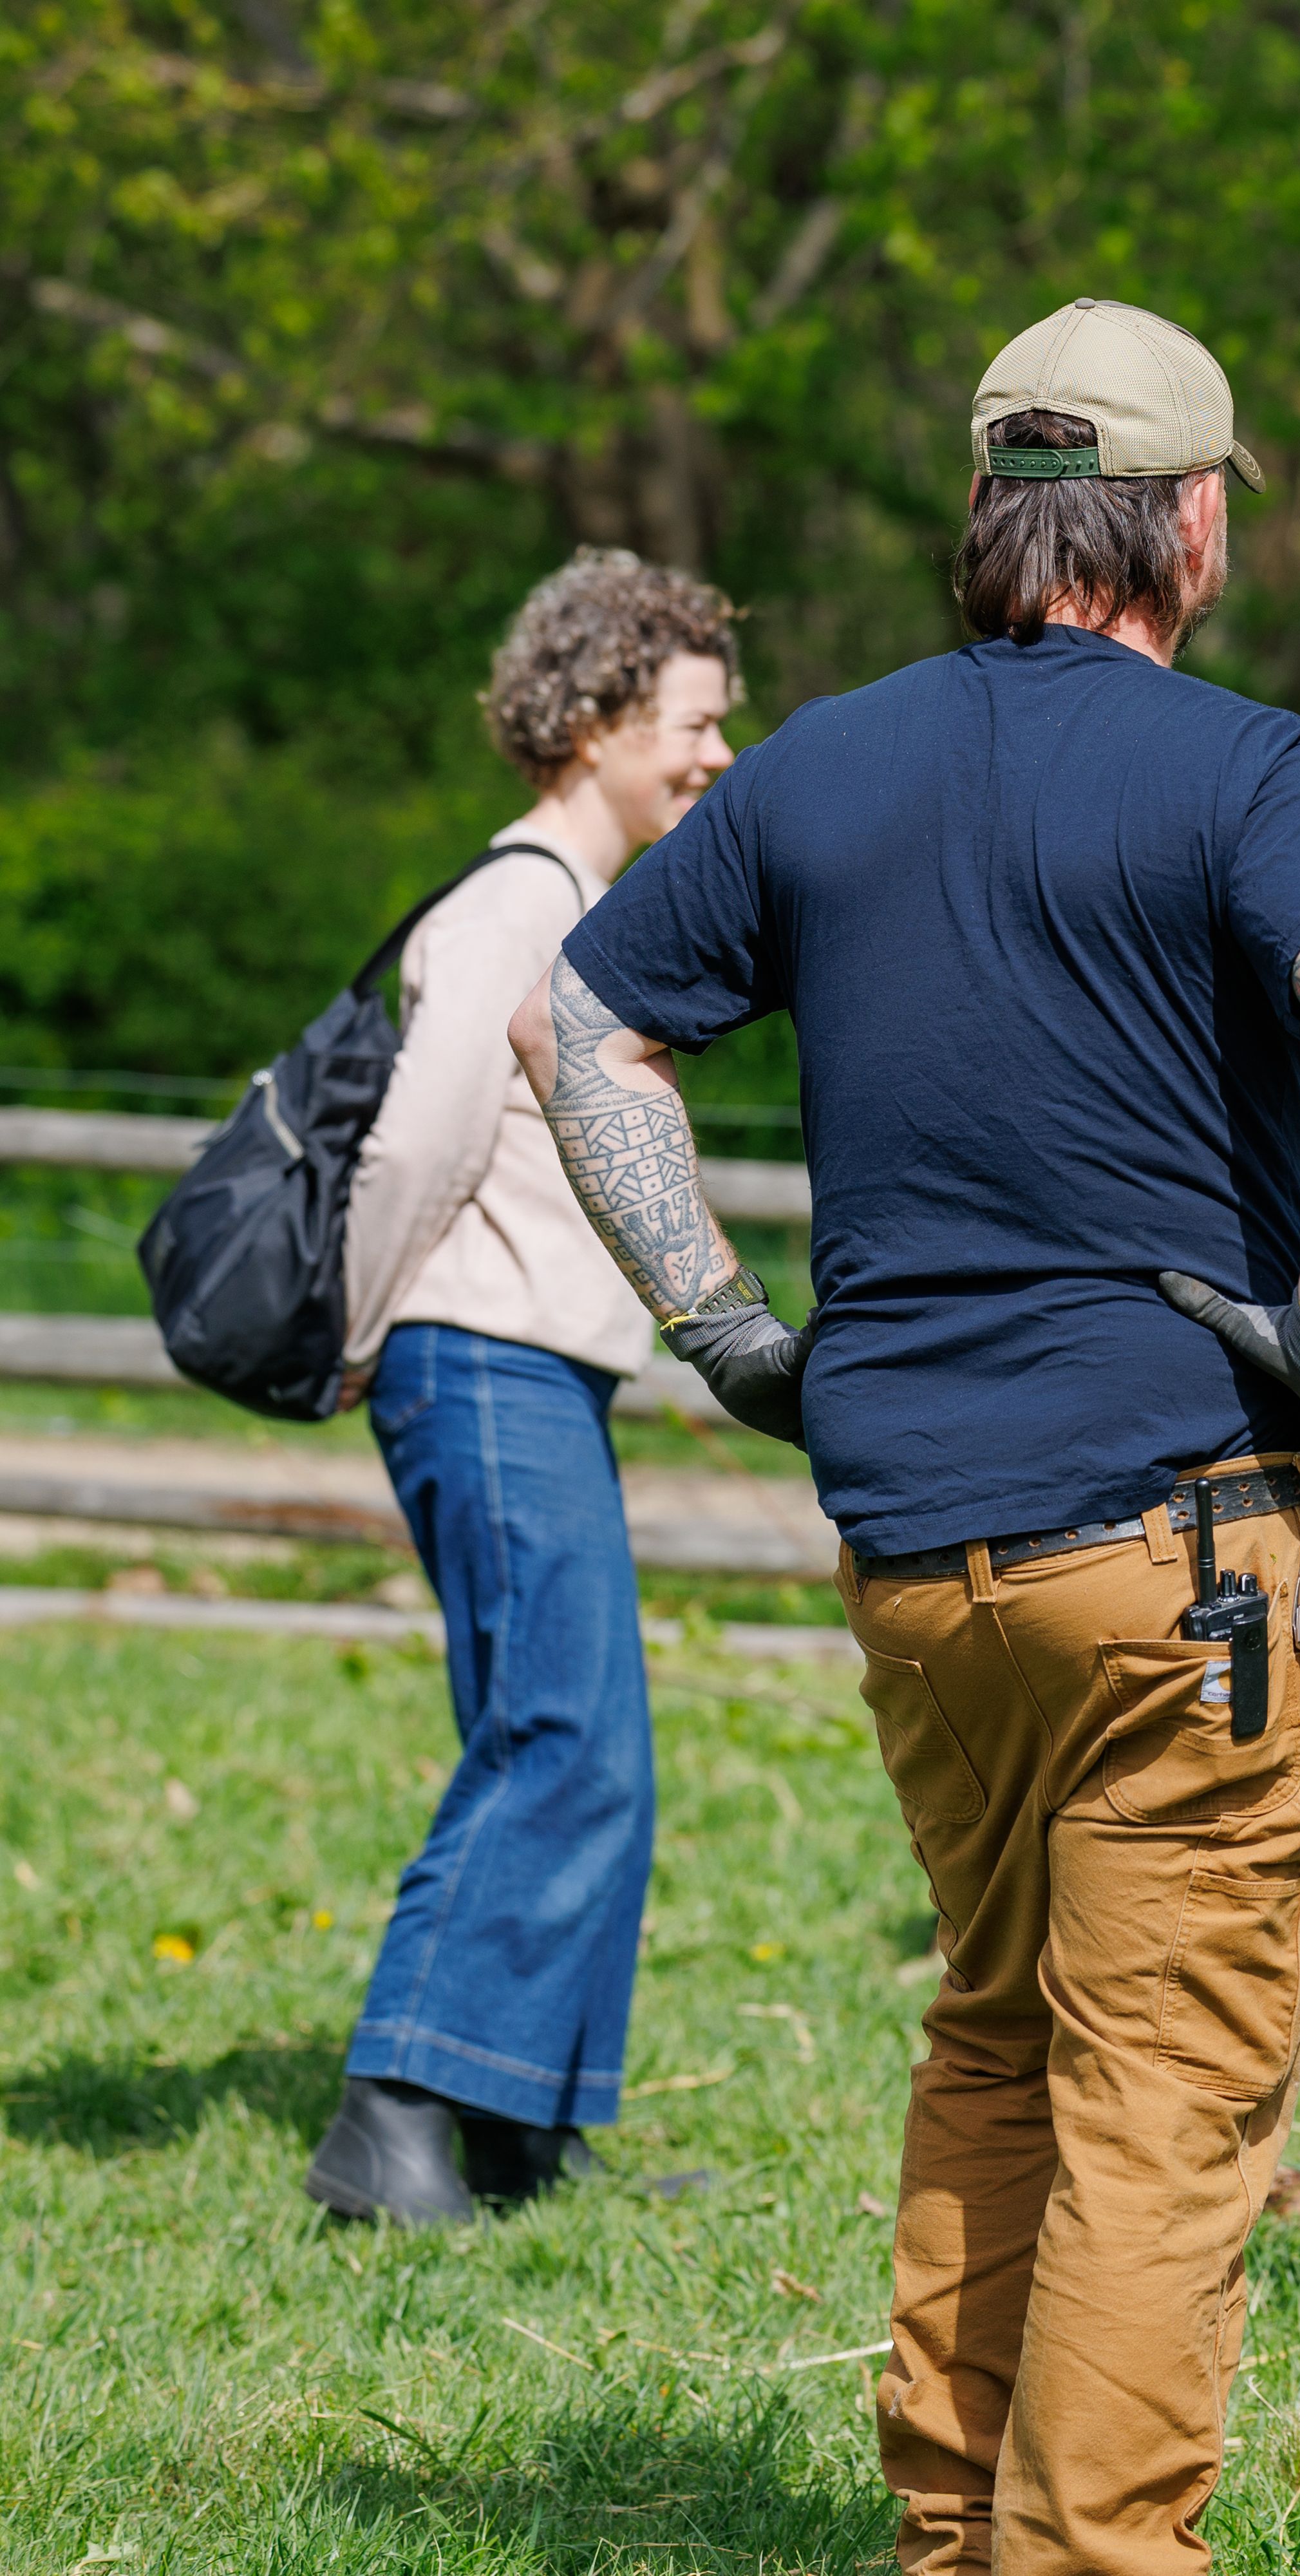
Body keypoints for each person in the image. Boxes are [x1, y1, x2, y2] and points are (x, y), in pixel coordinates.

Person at [509, 296, 1300, 2576]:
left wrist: (731, 1335)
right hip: (1186, 1563)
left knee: (1003, 2038)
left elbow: (576, 1026)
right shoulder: (1254, 771)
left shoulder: (821, 767)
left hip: (920, 1563)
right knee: (1167, 2106)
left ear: (993, 514)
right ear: (1192, 525)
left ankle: (957, 2537)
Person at [301, 550, 739, 2228]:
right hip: (475, 1355)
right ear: (599, 716)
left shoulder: (572, 907)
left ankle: (519, 2126)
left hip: (527, 1365)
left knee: (579, 1737)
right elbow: (418, 1136)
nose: (712, 759)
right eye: (693, 722)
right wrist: (361, 1325)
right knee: (564, 1738)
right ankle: (393, 2111)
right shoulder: (514, 906)